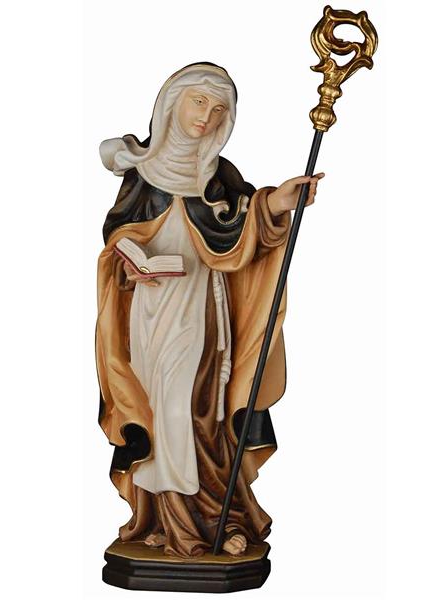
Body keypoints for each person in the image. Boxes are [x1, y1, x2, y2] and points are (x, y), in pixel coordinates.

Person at [96, 62, 324, 558]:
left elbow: (243, 230)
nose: (207, 116)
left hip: (202, 310)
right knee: (157, 415)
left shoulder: (218, 177)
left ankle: (208, 521)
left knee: (197, 412)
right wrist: (128, 264)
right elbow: (118, 241)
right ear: (171, 103)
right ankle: (162, 520)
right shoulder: (141, 173)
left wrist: (276, 203)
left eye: (219, 109)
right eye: (199, 102)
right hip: (148, 314)